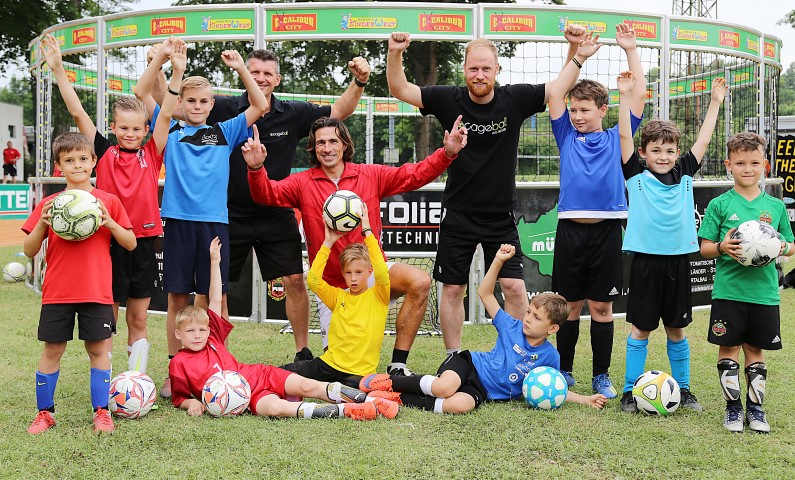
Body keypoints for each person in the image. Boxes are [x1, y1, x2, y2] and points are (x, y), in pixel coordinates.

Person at [154, 48, 370, 363]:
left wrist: (359, 81)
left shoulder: (293, 112)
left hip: (275, 211)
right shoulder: (223, 108)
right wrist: (162, 67)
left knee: (295, 280)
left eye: (268, 73)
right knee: (211, 289)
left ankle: (302, 351)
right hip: (228, 215)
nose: (261, 78)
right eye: (255, 72)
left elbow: (339, 110)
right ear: (245, 74)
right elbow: (170, 108)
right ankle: (206, 357)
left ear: (278, 78)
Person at [385, 25, 588, 356]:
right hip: (459, 213)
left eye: (486, 68)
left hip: (500, 216)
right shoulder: (447, 98)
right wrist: (395, 52)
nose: (479, 74)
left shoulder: (515, 99)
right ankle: (455, 358)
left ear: (497, 70)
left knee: (514, 289)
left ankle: (514, 355)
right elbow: (400, 88)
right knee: (452, 288)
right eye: (473, 68)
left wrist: (575, 51)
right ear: (464, 69)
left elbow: (558, 90)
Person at [246, 116, 466, 369]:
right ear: (313, 148)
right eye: (320, 143)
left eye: (332, 141)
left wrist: (447, 153)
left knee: (420, 281)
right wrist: (255, 169)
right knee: (340, 366)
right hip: (336, 285)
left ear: (344, 145)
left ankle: (398, 365)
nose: (326, 148)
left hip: (374, 275)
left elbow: (413, 175)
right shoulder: (302, 182)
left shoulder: (369, 175)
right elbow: (267, 194)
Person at [43, 34, 185, 374]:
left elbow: (166, 113)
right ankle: (104, 381)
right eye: (123, 128)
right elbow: (77, 111)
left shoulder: (153, 152)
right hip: (108, 242)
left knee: (138, 317)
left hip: (144, 243)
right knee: (107, 317)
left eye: (137, 129)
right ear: (113, 128)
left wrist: (175, 72)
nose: (130, 133)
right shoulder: (103, 152)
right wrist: (60, 70)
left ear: (145, 130)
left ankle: (134, 381)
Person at [134, 47, 268, 398]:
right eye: (190, 100)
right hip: (177, 222)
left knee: (216, 299)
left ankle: (218, 365)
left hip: (214, 224)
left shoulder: (225, 131)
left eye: (203, 101)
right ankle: (175, 371)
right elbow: (141, 92)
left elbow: (260, 105)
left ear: (212, 104)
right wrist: (162, 63)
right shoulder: (170, 129)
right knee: (177, 298)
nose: (196, 106)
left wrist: (241, 68)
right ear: (181, 103)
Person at [357, 244, 607, 414]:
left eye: (536, 317)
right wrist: (498, 261)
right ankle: (389, 382)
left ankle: (390, 399)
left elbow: (555, 387)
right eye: (529, 311)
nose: (528, 318)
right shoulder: (511, 325)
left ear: (552, 328)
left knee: (460, 406)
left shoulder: (550, 357)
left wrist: (586, 399)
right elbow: (485, 293)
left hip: (482, 390)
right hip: (467, 365)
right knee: (445, 388)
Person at [169, 237, 399, 420]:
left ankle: (360, 397)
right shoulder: (179, 363)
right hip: (246, 400)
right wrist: (193, 403)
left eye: (201, 330)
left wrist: (215, 263)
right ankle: (342, 411)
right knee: (276, 409)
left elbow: (216, 300)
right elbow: (179, 397)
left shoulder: (213, 339)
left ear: (209, 330)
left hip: (257, 375)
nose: (197, 335)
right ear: (178, 334)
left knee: (307, 385)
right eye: (190, 332)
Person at [617, 72, 727, 413]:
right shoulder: (635, 174)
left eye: (669, 150)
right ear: (643, 152)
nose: (663, 156)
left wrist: (715, 103)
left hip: (679, 261)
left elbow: (705, 141)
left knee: (677, 329)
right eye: (656, 150)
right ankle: (629, 392)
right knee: (640, 328)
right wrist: (624, 97)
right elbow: (623, 133)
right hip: (646, 262)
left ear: (677, 152)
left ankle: (684, 389)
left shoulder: (683, 174)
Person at [547, 24, 646, 398]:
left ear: (603, 109)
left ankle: (600, 375)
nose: (576, 116)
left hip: (606, 231)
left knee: (602, 308)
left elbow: (635, 95)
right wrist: (578, 56)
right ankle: (566, 369)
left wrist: (630, 50)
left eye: (584, 110)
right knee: (569, 306)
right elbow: (556, 91)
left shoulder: (616, 135)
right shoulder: (566, 135)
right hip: (571, 231)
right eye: (573, 110)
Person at [23, 132, 137, 434]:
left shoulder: (108, 202)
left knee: (98, 349)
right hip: (58, 292)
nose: (77, 165)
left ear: (93, 162)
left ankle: (101, 411)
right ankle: (44, 414)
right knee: (52, 349)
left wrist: (110, 223)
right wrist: (42, 224)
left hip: (96, 291)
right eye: (69, 160)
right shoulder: (49, 204)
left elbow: (130, 243)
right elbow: (30, 250)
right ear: (59, 166)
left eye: (83, 159)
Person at [698, 132, 794, 433]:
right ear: (729, 165)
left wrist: (781, 247)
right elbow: (705, 248)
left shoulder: (775, 207)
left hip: (764, 294)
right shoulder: (720, 205)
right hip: (729, 292)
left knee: (755, 350)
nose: (747, 168)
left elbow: (791, 245)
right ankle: (733, 409)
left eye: (754, 162)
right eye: (740, 163)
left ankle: (755, 409)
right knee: (729, 350)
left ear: (764, 164)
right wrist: (723, 247)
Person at [278, 203, 392, 384]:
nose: (353, 278)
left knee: (348, 395)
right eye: (348, 273)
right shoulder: (339, 297)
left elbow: (381, 270)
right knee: (279, 374)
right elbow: (313, 280)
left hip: (359, 374)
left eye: (358, 272)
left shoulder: (379, 295)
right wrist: (328, 243)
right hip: (328, 365)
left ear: (369, 272)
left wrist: (368, 231)